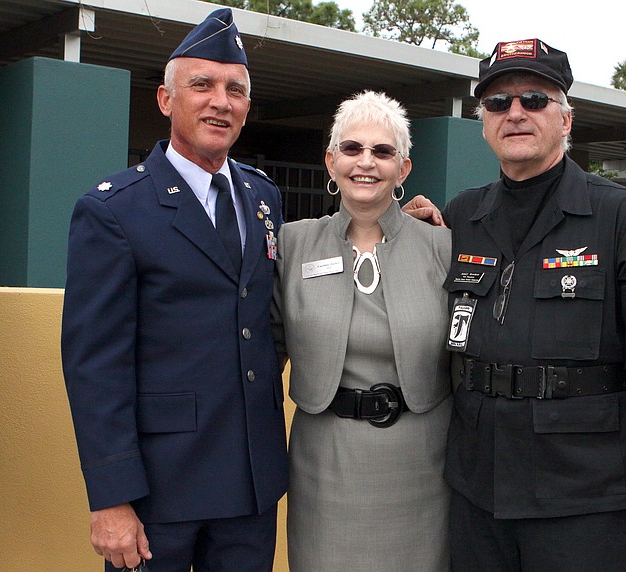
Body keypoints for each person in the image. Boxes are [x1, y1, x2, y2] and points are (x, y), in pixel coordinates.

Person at [403, 39, 626, 571]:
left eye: (533, 99)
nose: (514, 113)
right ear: (484, 122)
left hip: (582, 500)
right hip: (477, 493)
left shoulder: (620, 217)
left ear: (566, 119)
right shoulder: (463, 216)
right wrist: (402, 232)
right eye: (497, 103)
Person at [61, 9, 288, 571]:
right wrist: (111, 498)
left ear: (247, 109)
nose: (221, 101)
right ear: (166, 101)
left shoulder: (263, 198)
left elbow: (265, 318)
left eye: (235, 90)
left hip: (251, 485)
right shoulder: (114, 210)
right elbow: (95, 365)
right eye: (202, 85)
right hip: (159, 492)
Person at [271, 90, 453, 571]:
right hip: (323, 470)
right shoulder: (292, 244)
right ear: (330, 162)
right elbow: (260, 352)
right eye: (351, 149)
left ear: (404, 168)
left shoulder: (444, 247)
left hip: (423, 470)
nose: (365, 162)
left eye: (382, 151)